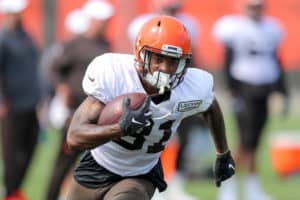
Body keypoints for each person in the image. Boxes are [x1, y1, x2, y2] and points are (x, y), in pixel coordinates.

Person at [66, 15, 235, 200]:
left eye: (173, 61)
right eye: (158, 58)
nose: (165, 68)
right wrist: (119, 128)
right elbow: (74, 137)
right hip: (98, 165)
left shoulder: (193, 87)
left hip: (140, 173)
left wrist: (223, 153)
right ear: (141, 54)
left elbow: (211, 107)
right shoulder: (115, 74)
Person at [127, 2, 211, 200]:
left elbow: (192, 59)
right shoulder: (142, 23)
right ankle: (148, 183)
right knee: (149, 136)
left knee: (183, 136)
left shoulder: (189, 24)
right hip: (148, 88)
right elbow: (134, 59)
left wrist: (195, 89)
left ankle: (175, 183)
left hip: (178, 88)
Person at [212, 0, 289, 200]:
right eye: (251, 5)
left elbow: (276, 60)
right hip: (243, 87)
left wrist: (283, 91)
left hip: (264, 89)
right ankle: (229, 187)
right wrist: (231, 90)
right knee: (245, 141)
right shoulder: (234, 27)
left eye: (258, 5)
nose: (255, 9)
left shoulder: (272, 28)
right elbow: (228, 58)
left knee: (255, 142)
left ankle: (252, 189)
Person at [45, 1, 114, 199]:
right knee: (65, 160)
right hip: (74, 112)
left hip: (98, 112)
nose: (105, 25)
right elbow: (53, 69)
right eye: (102, 21)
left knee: (95, 162)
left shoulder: (105, 44)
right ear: (93, 20)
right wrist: (62, 87)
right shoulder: (75, 44)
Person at [0, 0, 42, 199]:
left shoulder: (26, 37)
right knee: (12, 154)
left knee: (31, 148)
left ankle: (15, 189)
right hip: (11, 107)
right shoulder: (3, 39)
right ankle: (10, 192)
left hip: (30, 103)